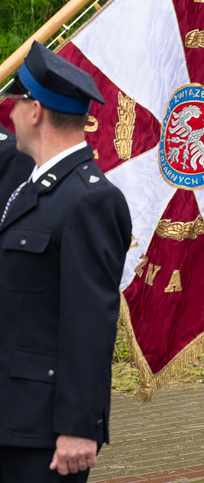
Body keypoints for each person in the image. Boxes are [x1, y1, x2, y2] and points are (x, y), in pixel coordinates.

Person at [0, 41, 132, 482]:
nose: (9, 113)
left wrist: (79, 428)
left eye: (14, 102)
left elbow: (90, 322)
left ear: (34, 111)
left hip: (44, 430)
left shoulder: (90, 199)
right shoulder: (28, 187)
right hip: (11, 412)